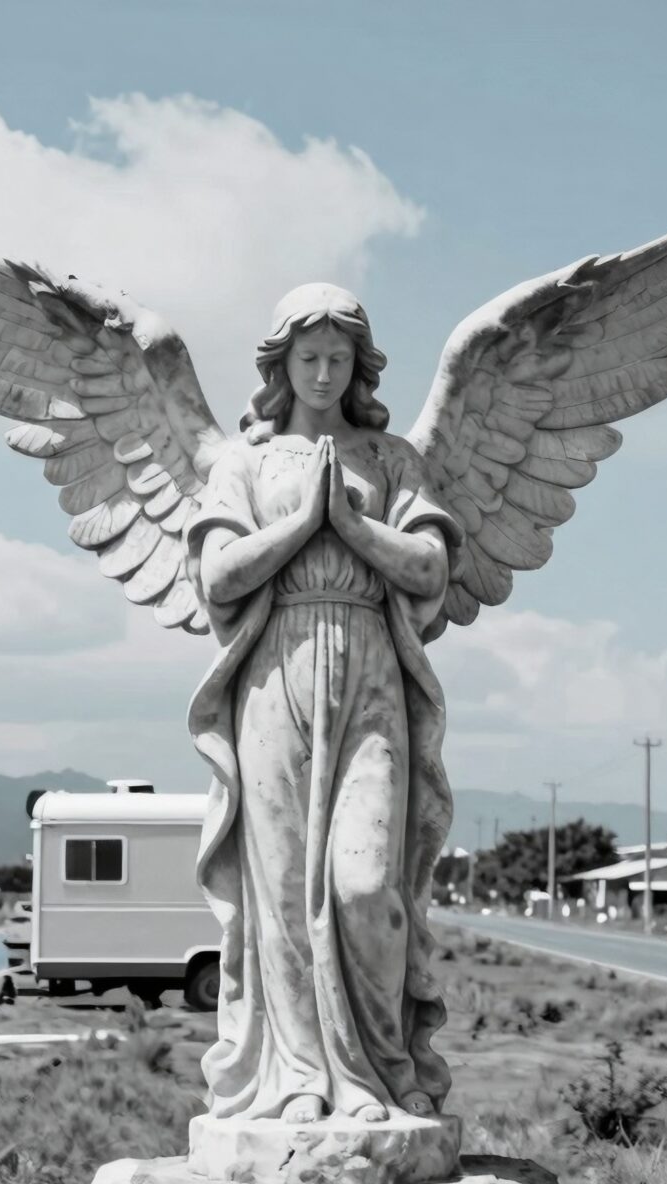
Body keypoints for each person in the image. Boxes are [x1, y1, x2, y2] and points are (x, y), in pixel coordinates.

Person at [183, 285, 459, 1126]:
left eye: (340, 359)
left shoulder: (392, 459)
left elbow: (431, 571)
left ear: (359, 365)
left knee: (364, 882)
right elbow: (217, 577)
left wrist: (354, 525)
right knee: (283, 891)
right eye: (308, 358)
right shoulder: (245, 460)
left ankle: (381, 1066)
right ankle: (300, 1077)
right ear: (279, 363)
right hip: (275, 676)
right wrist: (305, 525)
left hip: (372, 669)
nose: (324, 372)